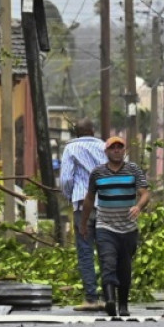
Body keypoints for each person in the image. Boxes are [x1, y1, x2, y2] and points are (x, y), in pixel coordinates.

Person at [79, 136, 150, 317]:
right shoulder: (97, 173)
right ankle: (110, 300)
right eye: (113, 148)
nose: (117, 150)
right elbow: (89, 198)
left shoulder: (133, 170)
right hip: (105, 227)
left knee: (124, 267)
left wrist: (138, 206)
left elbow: (145, 194)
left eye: (120, 147)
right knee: (107, 262)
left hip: (128, 228)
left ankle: (123, 305)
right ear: (106, 152)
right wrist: (84, 223)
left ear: (124, 151)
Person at [58, 118, 107, 312]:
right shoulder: (106, 147)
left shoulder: (71, 149)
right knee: (106, 251)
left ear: (76, 133)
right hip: (106, 205)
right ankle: (108, 296)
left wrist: (71, 196)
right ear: (93, 131)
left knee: (85, 250)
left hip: (82, 206)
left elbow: (66, 179)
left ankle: (91, 298)